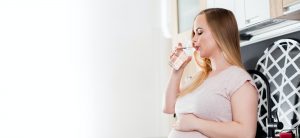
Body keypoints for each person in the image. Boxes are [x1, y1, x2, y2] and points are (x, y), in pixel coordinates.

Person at [163, 8, 258, 138]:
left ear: (220, 33)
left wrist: (196, 123)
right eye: (194, 33)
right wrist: (177, 70)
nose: (193, 39)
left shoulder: (237, 78)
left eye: (199, 32)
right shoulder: (198, 78)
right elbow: (169, 107)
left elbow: (246, 133)